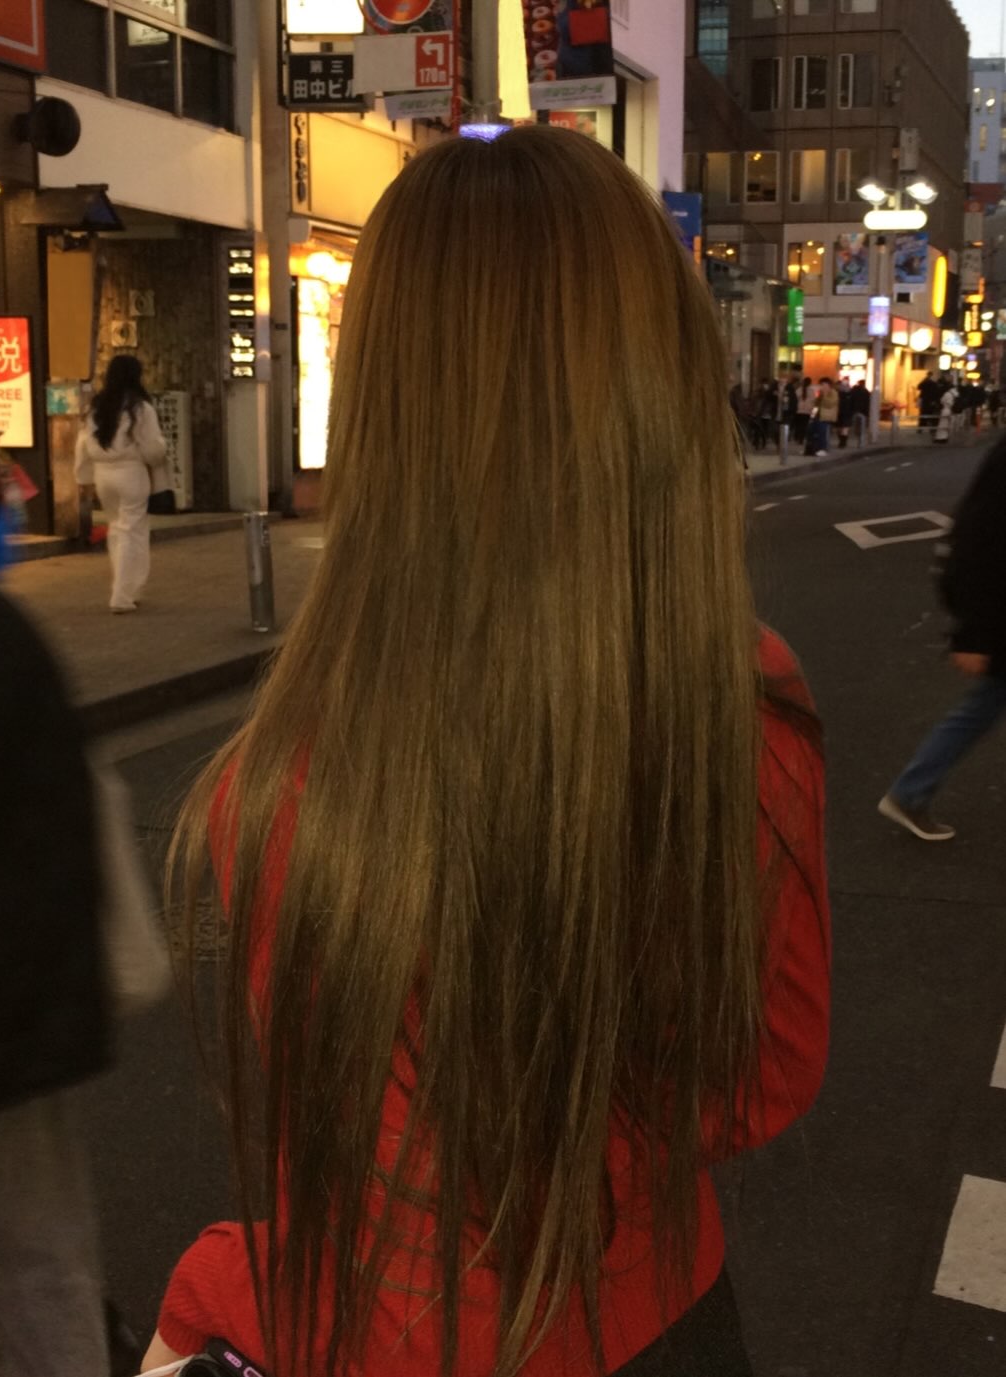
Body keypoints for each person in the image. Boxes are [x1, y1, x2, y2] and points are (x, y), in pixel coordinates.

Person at [144, 128, 830, 1377]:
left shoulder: (292, 782)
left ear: (385, 402)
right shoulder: (743, 699)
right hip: (672, 1317)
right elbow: (765, 1078)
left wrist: (210, 1295)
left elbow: (380, 1233)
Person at [0, 425, 111, 1375]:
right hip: (18, 1041)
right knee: (38, 1270)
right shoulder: (6, 637)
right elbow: (61, 836)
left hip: (7, 1036)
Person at [879, 434, 1006, 840]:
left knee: (982, 706)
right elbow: (978, 539)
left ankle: (909, 793)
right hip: (995, 616)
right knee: (981, 707)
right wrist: (972, 636)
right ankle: (908, 793)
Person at [74, 354, 166, 612]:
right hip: (131, 473)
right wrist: (160, 454)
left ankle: (126, 588)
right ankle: (123, 594)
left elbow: (82, 444)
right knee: (132, 530)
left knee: (116, 528)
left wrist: (83, 478)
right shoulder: (140, 409)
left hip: (103, 475)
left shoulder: (96, 408)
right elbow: (153, 448)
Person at [795, 375, 816, 444]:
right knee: (805, 425)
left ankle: (798, 437)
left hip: (799, 410)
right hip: (807, 410)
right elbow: (813, 401)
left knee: (799, 424)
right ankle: (801, 438)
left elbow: (795, 399)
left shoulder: (799, 390)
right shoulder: (811, 391)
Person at [835, 376, 853, 449]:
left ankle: (842, 442)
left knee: (842, 428)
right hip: (845, 412)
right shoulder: (850, 392)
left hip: (842, 412)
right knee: (843, 428)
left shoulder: (838, 392)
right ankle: (843, 442)